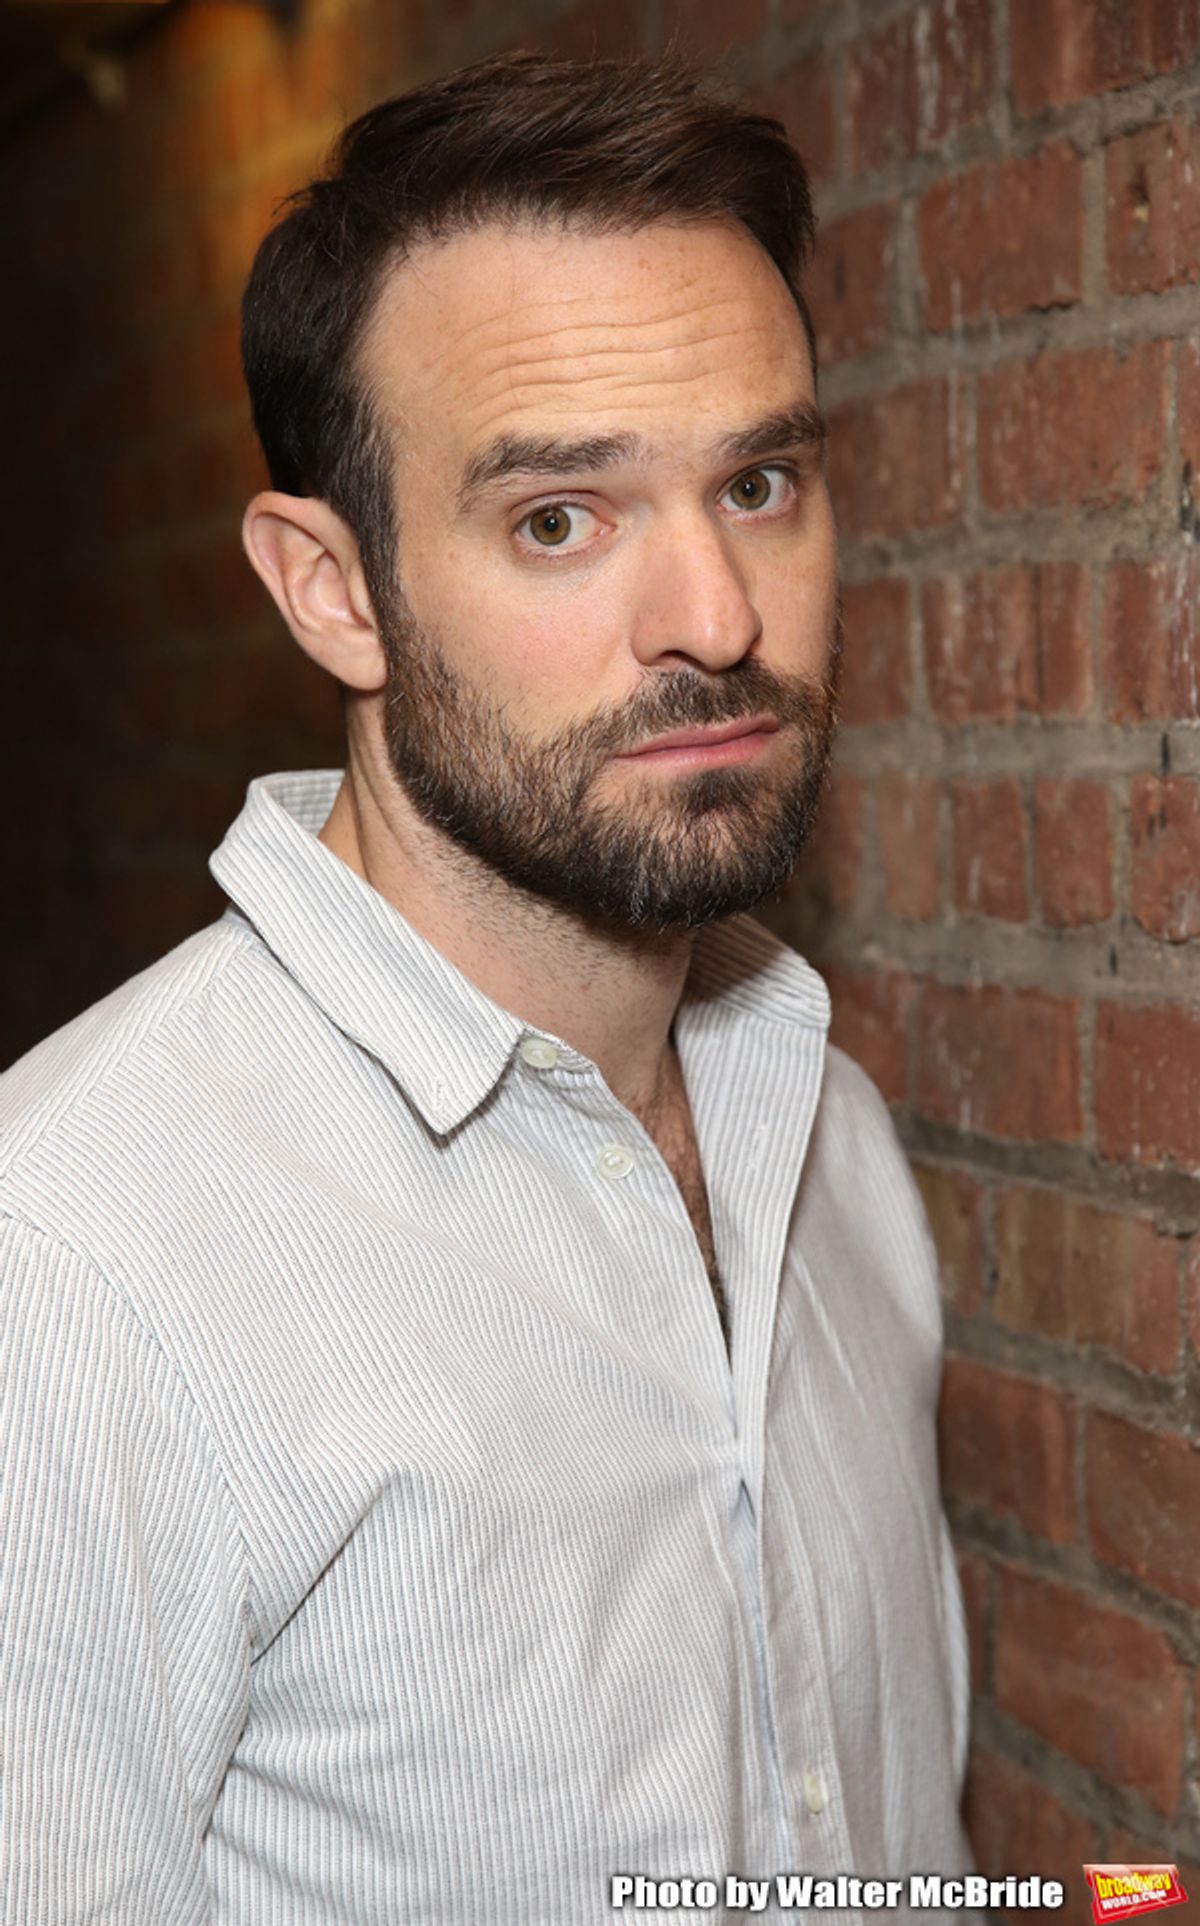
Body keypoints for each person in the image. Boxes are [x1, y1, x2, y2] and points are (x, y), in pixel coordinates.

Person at [0, 52, 974, 1925]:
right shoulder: (78, 1265)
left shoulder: (824, 1132)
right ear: (330, 594)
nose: (715, 613)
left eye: (761, 480)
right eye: (560, 517)